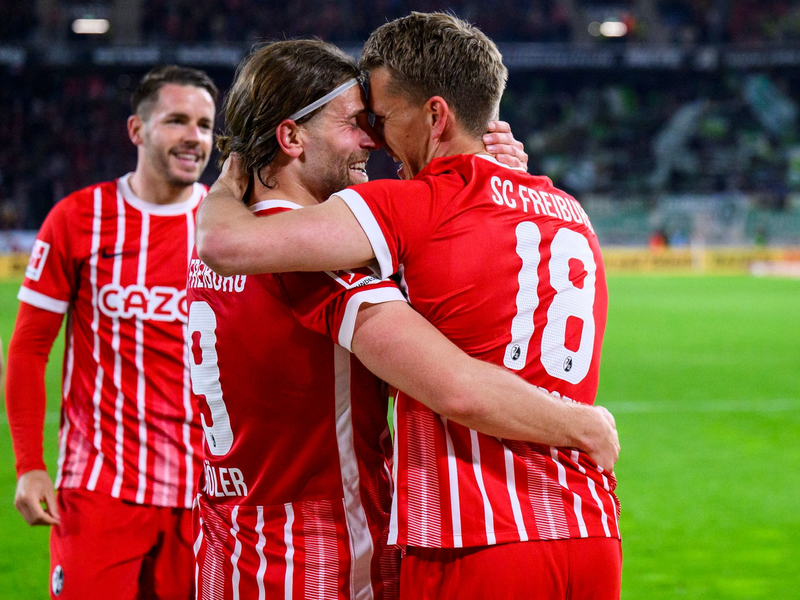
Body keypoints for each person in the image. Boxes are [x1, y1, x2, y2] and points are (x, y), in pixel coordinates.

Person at [197, 13, 622, 600]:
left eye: (381, 117)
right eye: (360, 122)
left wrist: (222, 187)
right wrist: (583, 425)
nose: (374, 140)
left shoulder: (391, 213)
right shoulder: (565, 208)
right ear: (292, 137)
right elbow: (455, 383)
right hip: (575, 525)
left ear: (435, 115)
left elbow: (222, 245)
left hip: (257, 546)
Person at [5, 65, 217, 600]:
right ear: (136, 130)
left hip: (203, 492)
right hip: (100, 486)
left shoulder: (227, 229)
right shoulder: (77, 219)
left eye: (205, 124)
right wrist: (30, 466)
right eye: (177, 121)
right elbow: (30, 348)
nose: (195, 136)